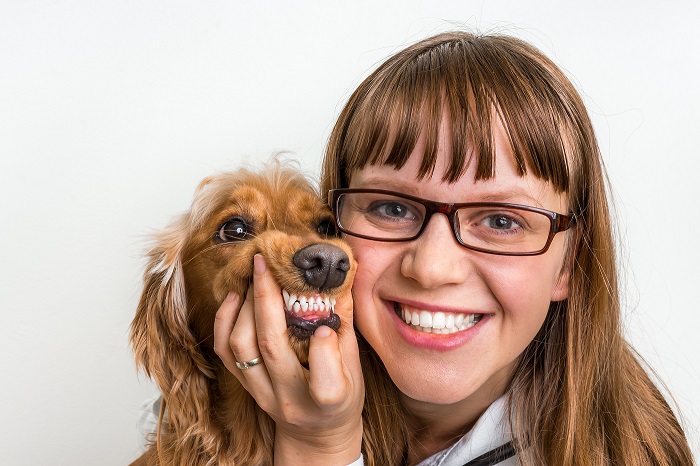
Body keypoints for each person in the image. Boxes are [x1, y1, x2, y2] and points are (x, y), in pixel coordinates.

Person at [212, 31, 694, 465]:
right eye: (392, 208)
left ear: (569, 264)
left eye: (502, 220)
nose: (433, 268)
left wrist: (317, 449)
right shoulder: (229, 405)